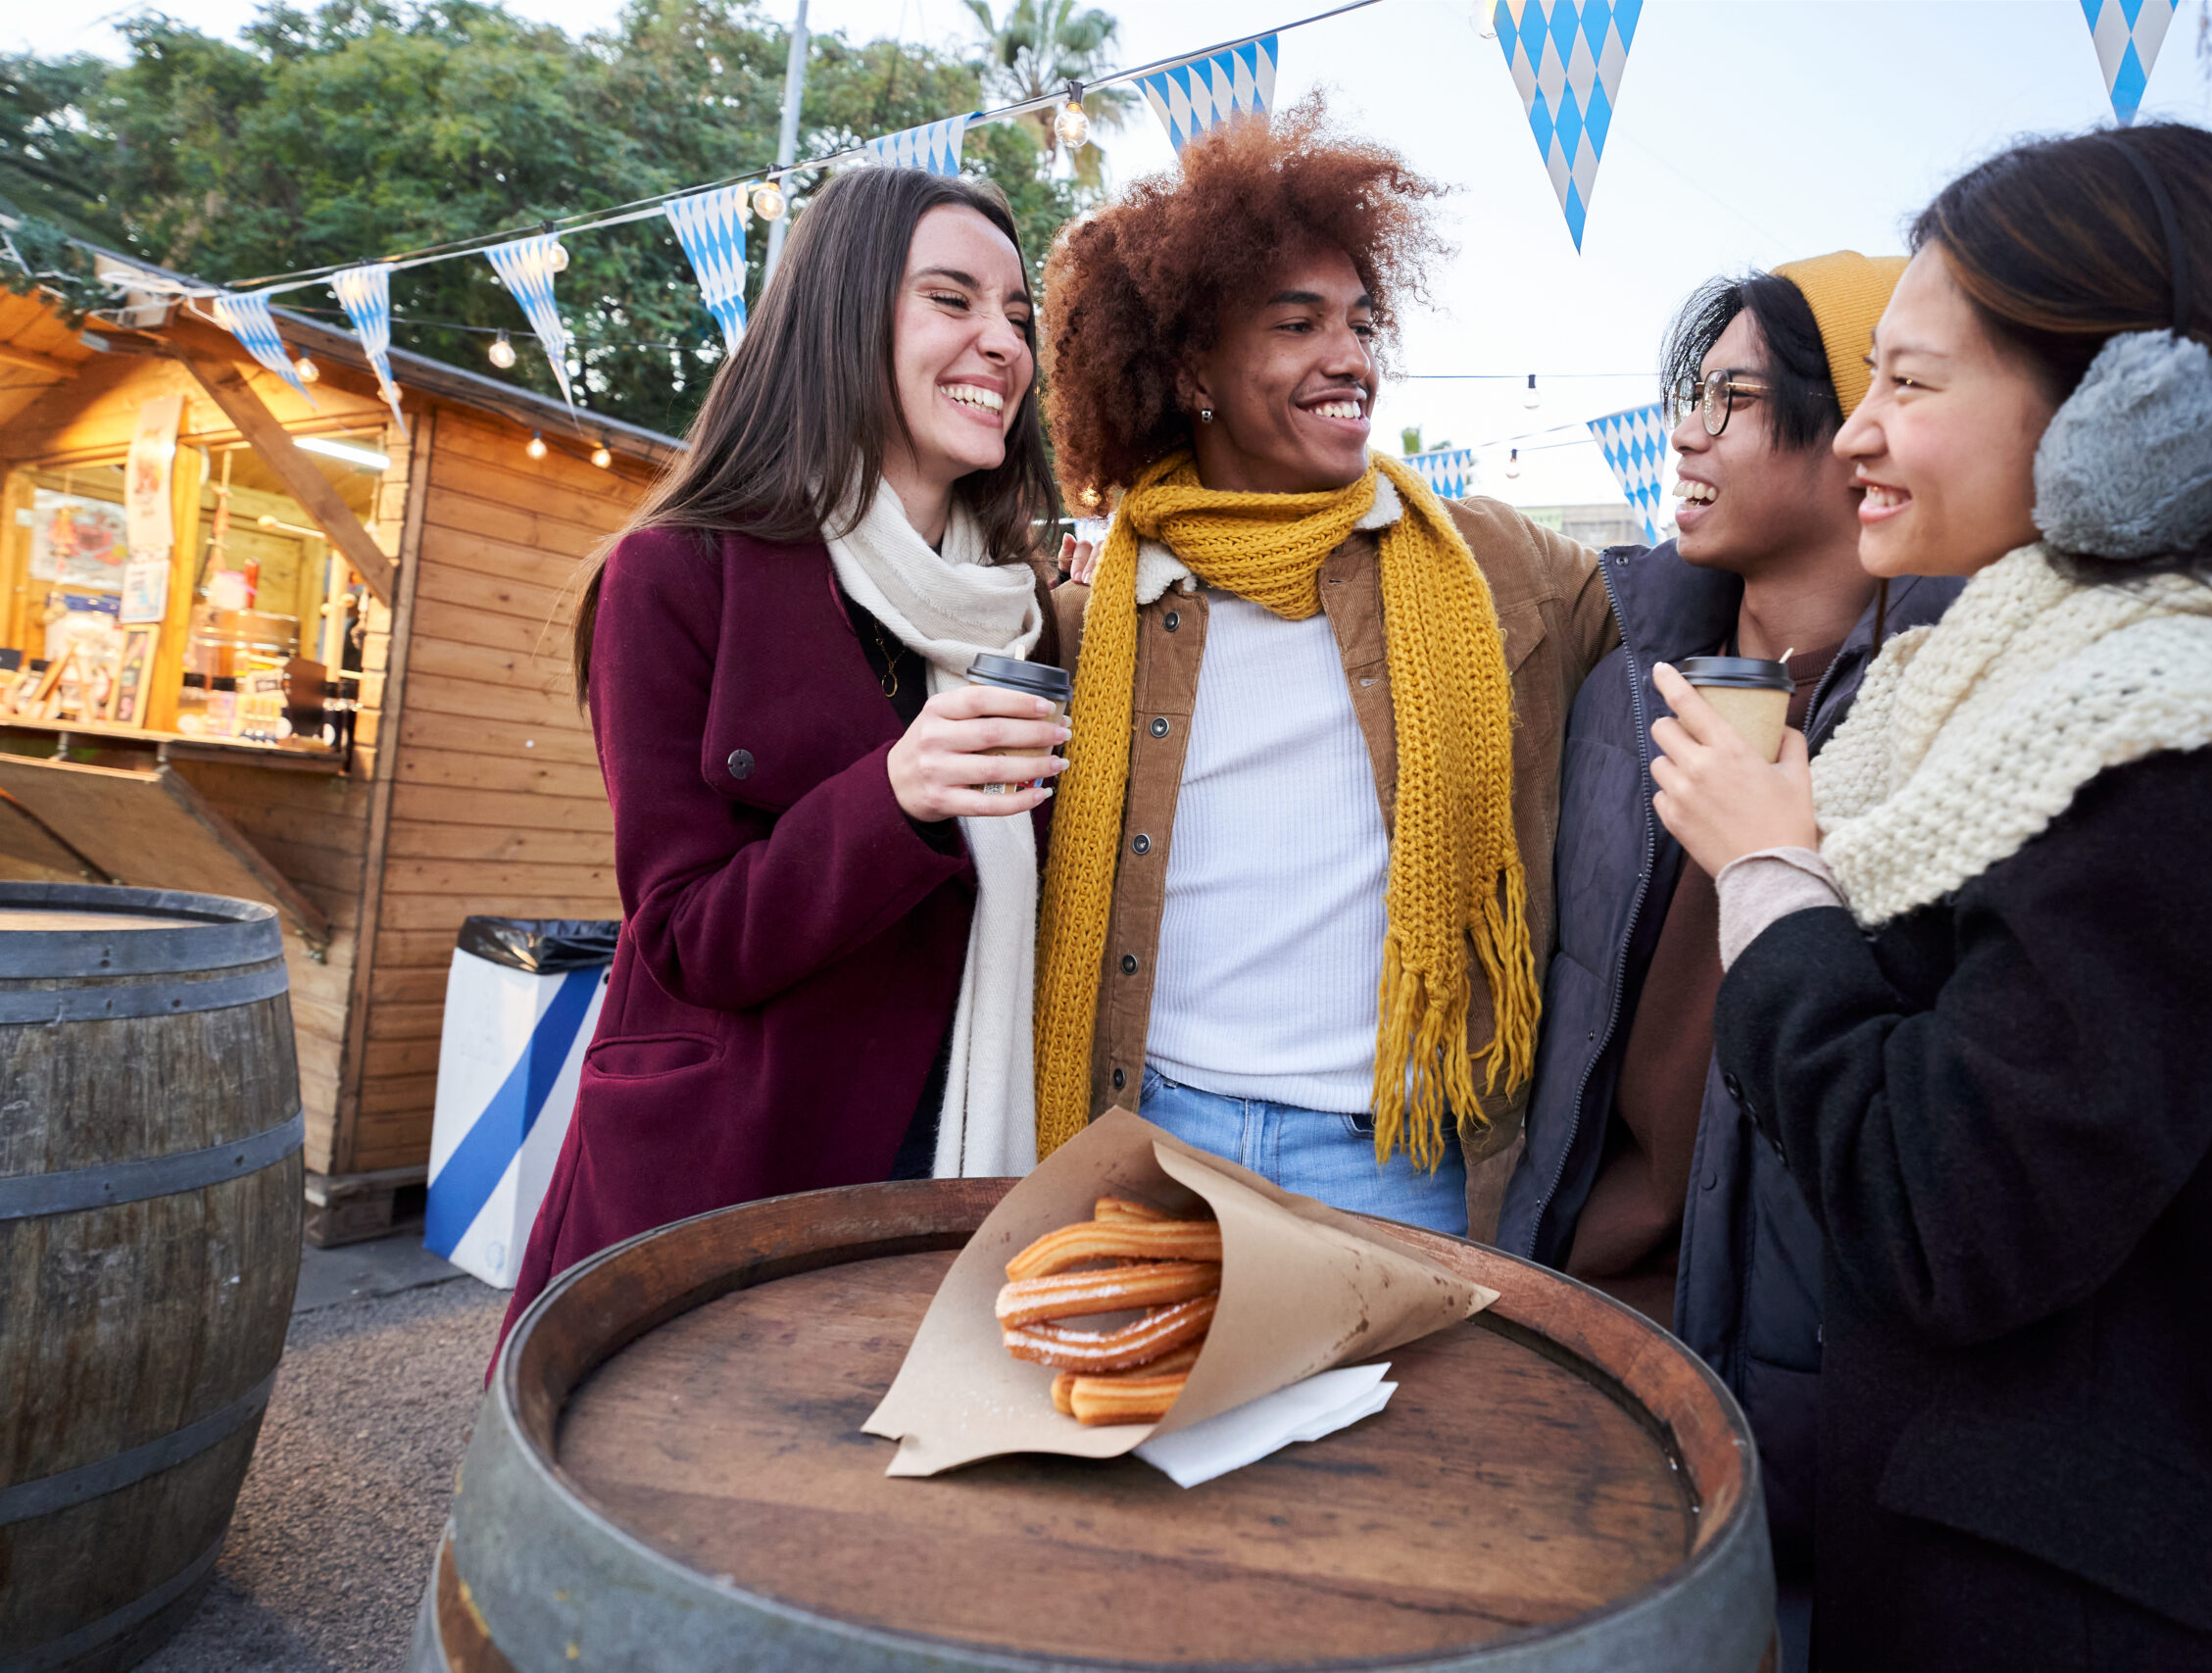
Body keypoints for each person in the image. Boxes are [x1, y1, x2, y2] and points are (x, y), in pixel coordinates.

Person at [1500, 251, 2212, 1668]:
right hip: (1596, 1336)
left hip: (1838, 1411)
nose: (1687, 432)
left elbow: (2117, 1036)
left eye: (1735, 397)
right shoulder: (1611, 655)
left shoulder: (2003, 715)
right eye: (1682, 396)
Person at [500, 169, 1067, 1342]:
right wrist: (897, 796)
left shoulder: (1025, 619)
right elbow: (682, 937)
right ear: (844, 315)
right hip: (727, 1187)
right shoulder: (677, 572)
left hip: (952, 1180)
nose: (1000, 342)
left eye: (1018, 315)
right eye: (951, 299)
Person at [1034, 100, 1613, 1236]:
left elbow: (1699, 614)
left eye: (1358, 324)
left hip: (1396, 1160)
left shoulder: (1500, 566)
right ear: (1192, 363)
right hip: (1149, 1139)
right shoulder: (1084, 620)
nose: (1349, 359)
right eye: (1297, 325)